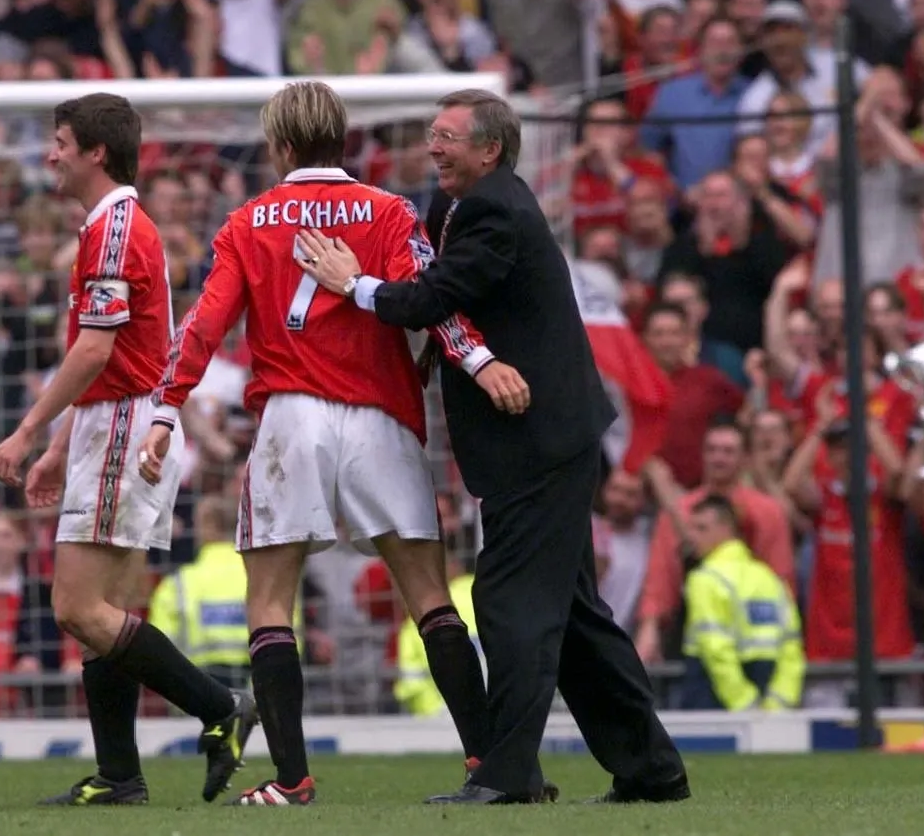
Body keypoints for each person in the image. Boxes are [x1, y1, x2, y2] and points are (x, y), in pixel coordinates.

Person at [294, 88, 689, 805]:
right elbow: (460, 301)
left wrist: (351, 284)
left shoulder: (490, 209)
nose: (432, 147)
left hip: (535, 443)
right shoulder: (474, 204)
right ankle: (651, 768)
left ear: (490, 149)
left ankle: (506, 774)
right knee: (572, 621)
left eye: (446, 136)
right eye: (430, 135)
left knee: (510, 605)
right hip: (549, 437)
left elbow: (427, 298)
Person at [139, 80, 523, 808]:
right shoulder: (388, 211)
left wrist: (167, 407)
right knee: (430, 598)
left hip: (293, 418)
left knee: (271, 601)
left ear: (279, 144)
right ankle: (488, 764)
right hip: (381, 416)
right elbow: (432, 299)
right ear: (341, 140)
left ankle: (292, 778)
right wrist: (478, 361)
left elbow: (204, 324)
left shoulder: (249, 220)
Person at [0, 92, 257, 807]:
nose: (49, 153)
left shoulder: (113, 229)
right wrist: (58, 449)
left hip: (120, 427)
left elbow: (95, 349)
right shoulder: (111, 226)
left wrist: (30, 430)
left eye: (59, 140)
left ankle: (219, 705)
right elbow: (108, 356)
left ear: (94, 152)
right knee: (102, 609)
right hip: (113, 420)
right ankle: (119, 775)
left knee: (78, 607)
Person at [680, 494, 804, 711]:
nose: (690, 536)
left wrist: (744, 703)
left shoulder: (705, 579)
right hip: (771, 695)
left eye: (701, 528)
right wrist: (779, 701)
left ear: (726, 529)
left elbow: (716, 650)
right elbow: (792, 648)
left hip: (714, 697)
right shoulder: (770, 579)